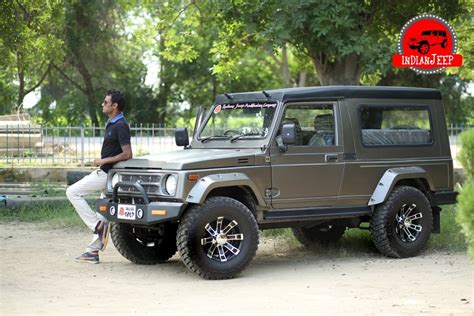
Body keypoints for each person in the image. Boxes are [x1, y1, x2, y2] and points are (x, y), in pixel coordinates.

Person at [66, 90, 132, 264]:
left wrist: (103, 160)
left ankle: (96, 226)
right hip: (108, 174)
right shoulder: (111, 123)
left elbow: (127, 154)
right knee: (103, 214)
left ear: (114, 106)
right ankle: (92, 252)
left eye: (105, 102)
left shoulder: (121, 125)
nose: (102, 104)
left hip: (106, 173)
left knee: (72, 192)